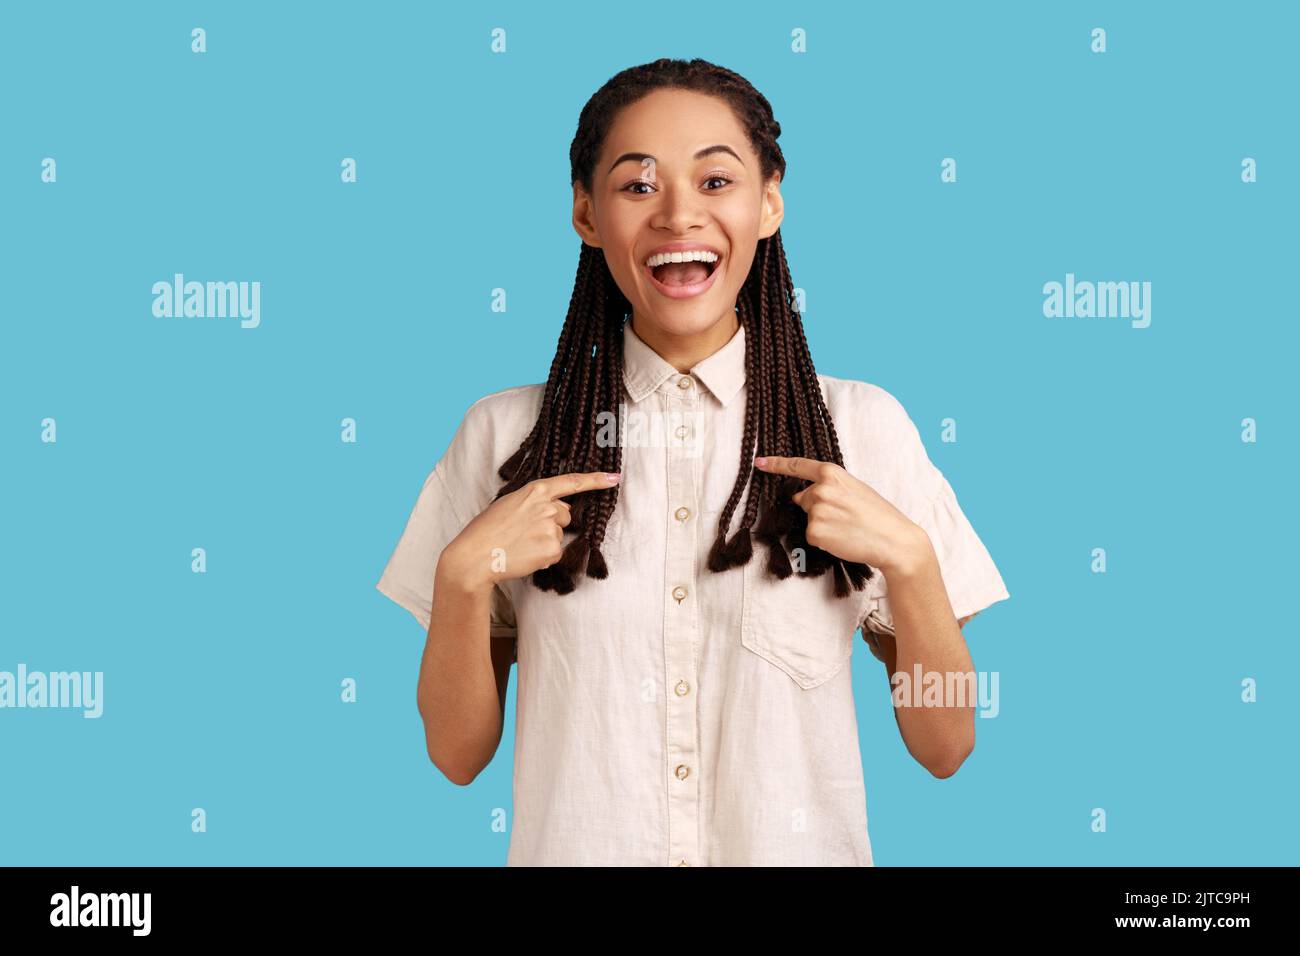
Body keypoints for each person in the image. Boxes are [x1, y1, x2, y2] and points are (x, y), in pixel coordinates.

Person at [376, 57, 1009, 866]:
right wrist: (463, 575)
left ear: (770, 201)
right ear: (585, 212)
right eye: (637, 186)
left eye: (716, 181)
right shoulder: (505, 439)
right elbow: (455, 756)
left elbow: (946, 743)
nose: (679, 215)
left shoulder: (862, 428)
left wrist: (914, 564)